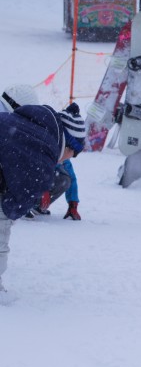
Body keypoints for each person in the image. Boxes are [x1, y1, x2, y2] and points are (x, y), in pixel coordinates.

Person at [1, 102, 87, 293]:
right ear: (69, 143)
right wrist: (13, 209)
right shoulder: (43, 149)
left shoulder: (33, 129)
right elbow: (15, 204)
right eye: (72, 153)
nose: (67, 159)